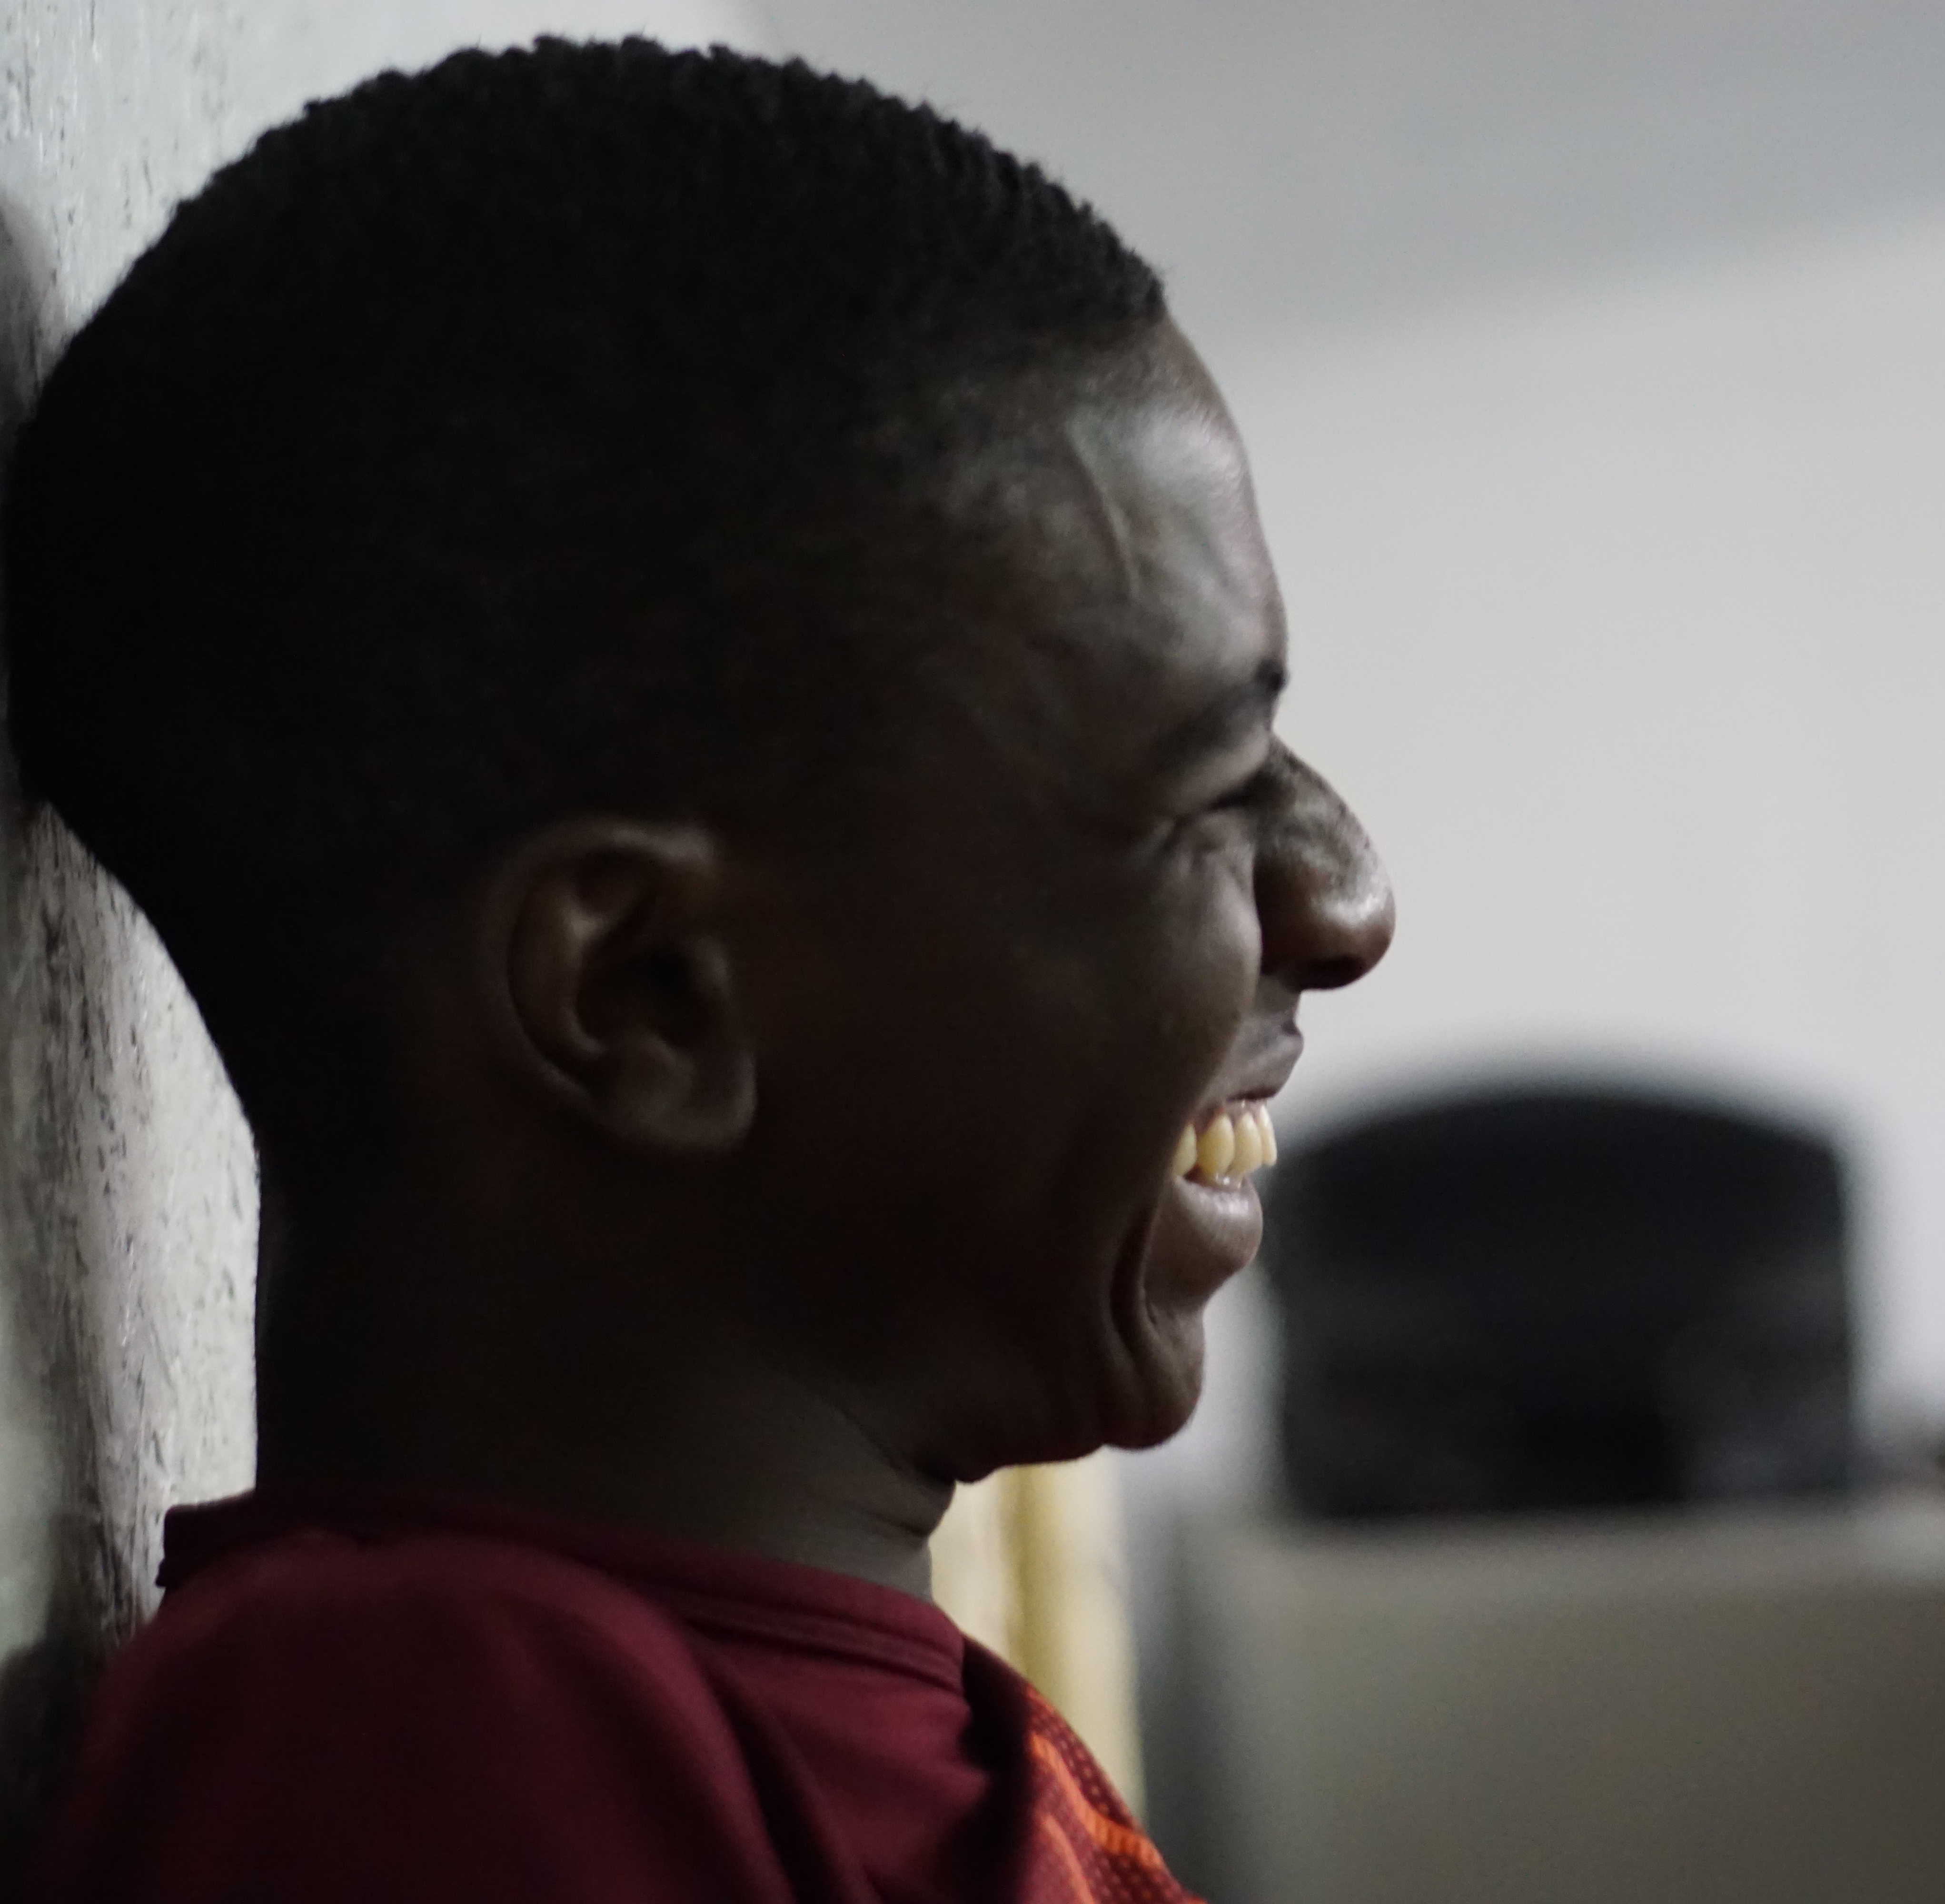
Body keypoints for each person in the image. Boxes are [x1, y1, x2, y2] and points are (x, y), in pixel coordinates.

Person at [6, 38, 1391, 1903]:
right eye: (1206, 790)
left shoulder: (905, 1739)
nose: (1349, 898)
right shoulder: (434, 1742)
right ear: (648, 995)